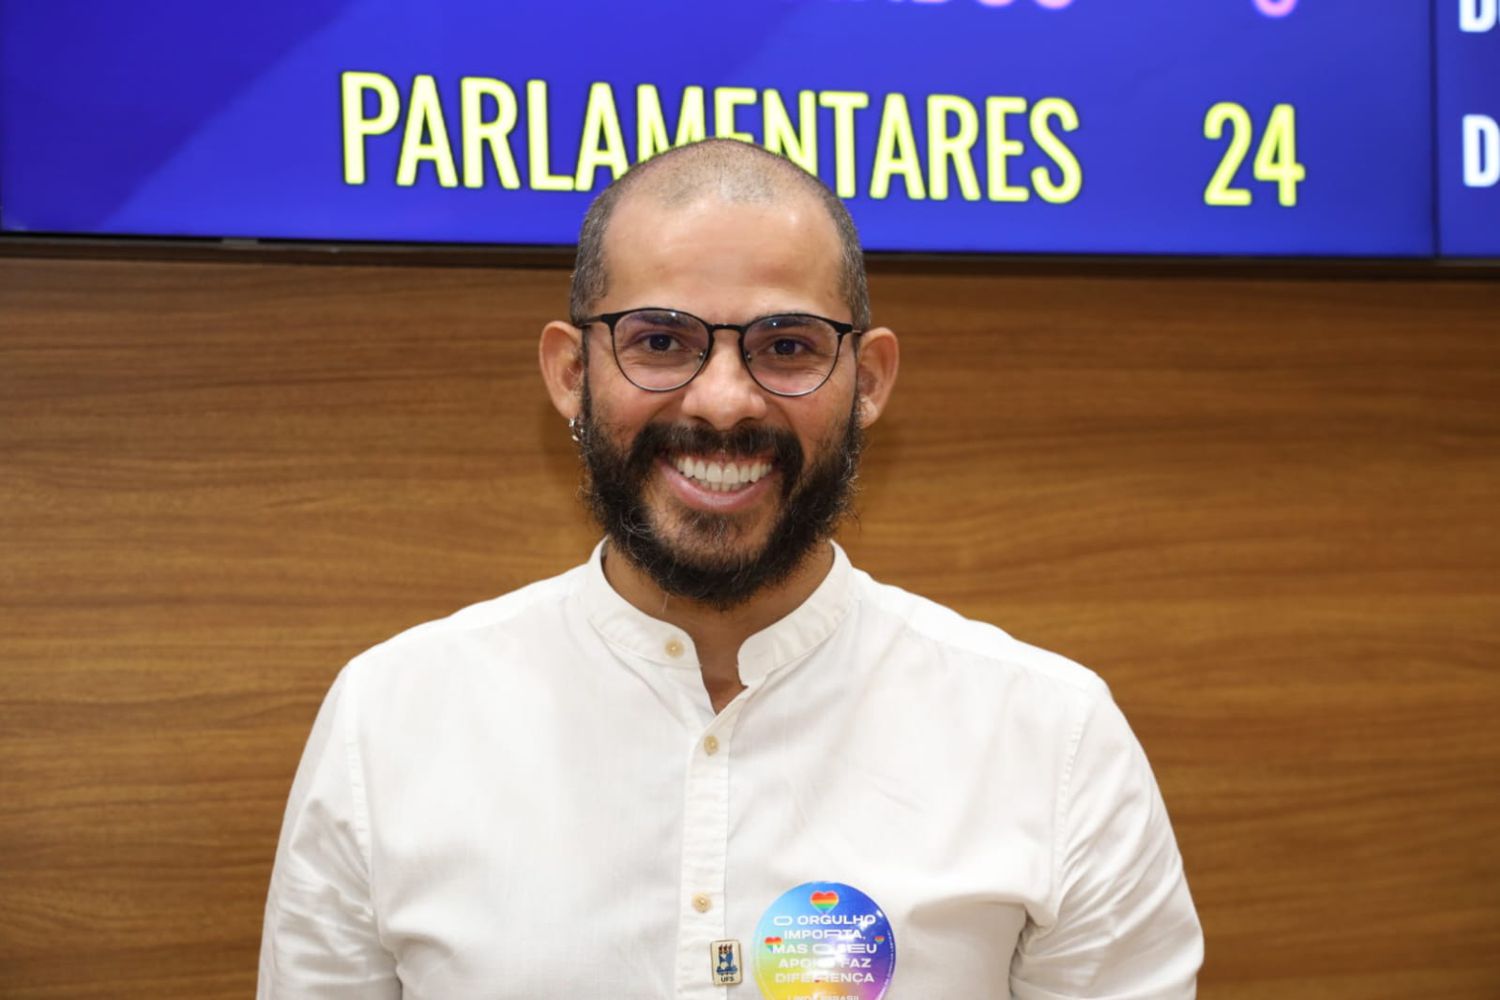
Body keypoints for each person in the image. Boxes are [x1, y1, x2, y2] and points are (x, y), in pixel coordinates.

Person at [258, 138, 1202, 999]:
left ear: (867, 382)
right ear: (568, 372)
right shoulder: (390, 720)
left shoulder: (1051, 738)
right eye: (659, 341)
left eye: (786, 347)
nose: (720, 401)